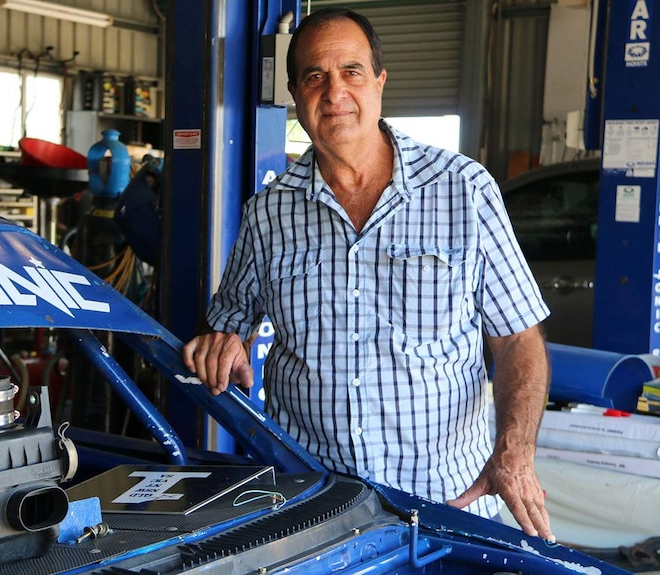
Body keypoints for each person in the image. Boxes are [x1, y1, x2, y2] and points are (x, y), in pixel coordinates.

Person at [181, 7, 554, 542]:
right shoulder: (269, 211)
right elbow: (229, 324)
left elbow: (519, 339)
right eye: (315, 76)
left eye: (351, 72)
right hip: (313, 508)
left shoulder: (463, 191)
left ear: (379, 82)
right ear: (294, 92)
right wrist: (224, 344)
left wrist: (513, 451)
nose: (335, 92)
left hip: (447, 505)